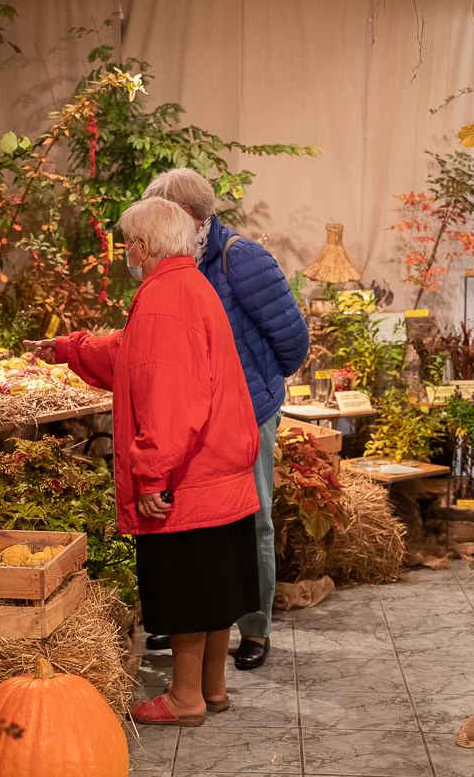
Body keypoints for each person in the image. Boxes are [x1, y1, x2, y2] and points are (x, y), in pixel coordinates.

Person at [24, 196, 260, 726]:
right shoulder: (187, 285)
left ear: (143, 244)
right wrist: (66, 348)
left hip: (187, 477)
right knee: (216, 588)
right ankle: (213, 689)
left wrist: (151, 472)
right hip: (218, 473)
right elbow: (131, 355)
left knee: (187, 590)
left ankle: (184, 699)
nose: (124, 250)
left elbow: (172, 396)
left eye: (127, 240)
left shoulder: (163, 298)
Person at [141, 168, 308, 670]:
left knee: (253, 522)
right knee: (195, 527)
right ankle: (193, 627)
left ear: (187, 216)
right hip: (191, 418)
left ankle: (254, 628)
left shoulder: (242, 258)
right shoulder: (177, 257)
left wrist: (248, 390)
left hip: (246, 416)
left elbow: (292, 340)